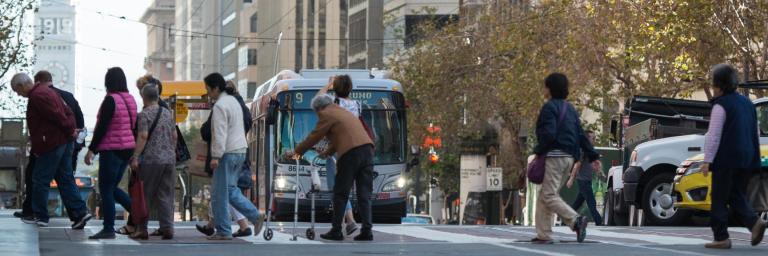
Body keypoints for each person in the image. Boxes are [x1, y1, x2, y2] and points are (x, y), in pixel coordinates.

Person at [284, 94, 375, 241]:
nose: (317, 116)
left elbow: (314, 136)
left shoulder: (327, 114)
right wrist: (328, 153)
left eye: (316, 113)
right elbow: (343, 137)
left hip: (351, 154)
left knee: (340, 193)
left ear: (319, 109)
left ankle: (336, 230)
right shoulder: (343, 112)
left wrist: (296, 152)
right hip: (368, 151)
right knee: (364, 194)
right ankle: (367, 231)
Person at [9, 73, 92, 229]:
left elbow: (58, 116)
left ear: (21, 85)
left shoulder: (37, 96)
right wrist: (71, 132)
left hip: (52, 143)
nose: (18, 95)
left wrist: (69, 131)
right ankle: (79, 213)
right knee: (65, 178)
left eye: (16, 91)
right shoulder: (48, 91)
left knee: (40, 178)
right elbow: (68, 112)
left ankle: (40, 215)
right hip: (64, 141)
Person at [700, 64, 767, 249]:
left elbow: (714, 136)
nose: (713, 89)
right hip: (748, 157)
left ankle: (721, 237)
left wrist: (707, 160)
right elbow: (755, 132)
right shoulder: (748, 103)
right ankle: (754, 223)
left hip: (727, 158)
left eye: (714, 85)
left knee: (719, 197)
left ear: (720, 86)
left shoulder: (721, 106)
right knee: (736, 194)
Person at [532, 73, 599, 244]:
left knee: (547, 195)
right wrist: (592, 155)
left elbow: (549, 134)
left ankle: (575, 220)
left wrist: (538, 152)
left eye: (545, 86)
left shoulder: (549, 108)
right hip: (569, 158)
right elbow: (580, 135)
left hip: (555, 156)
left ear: (550, 88)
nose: (544, 90)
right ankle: (543, 234)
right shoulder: (570, 109)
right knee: (546, 195)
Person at [204, 73, 263, 240]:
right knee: (230, 190)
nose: (208, 93)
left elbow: (219, 133)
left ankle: (223, 230)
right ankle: (255, 215)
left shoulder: (220, 105)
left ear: (215, 88)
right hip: (241, 150)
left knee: (218, 194)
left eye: (208, 89)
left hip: (227, 153)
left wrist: (215, 156)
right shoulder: (234, 101)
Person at [84, 67, 137, 239]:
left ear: (108, 82)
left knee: (106, 189)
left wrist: (91, 149)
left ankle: (108, 228)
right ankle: (137, 214)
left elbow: (101, 127)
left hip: (112, 149)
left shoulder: (110, 100)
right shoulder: (131, 99)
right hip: (127, 149)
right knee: (112, 188)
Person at [128, 84, 177, 240]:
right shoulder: (168, 114)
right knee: (165, 194)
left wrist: (135, 156)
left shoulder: (144, 114)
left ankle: (142, 229)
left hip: (151, 160)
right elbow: (174, 136)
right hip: (169, 160)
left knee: (145, 194)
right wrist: (170, 152)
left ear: (144, 97)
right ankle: (167, 227)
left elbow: (142, 136)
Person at [317, 75, 360, 236]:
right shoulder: (356, 105)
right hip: (352, 149)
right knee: (341, 189)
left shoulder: (334, 104)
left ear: (335, 89)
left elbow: (318, 98)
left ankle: (349, 221)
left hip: (335, 151)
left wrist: (328, 84)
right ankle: (343, 224)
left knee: (336, 190)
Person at [566, 130, 603, 226]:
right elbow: (577, 164)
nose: (594, 140)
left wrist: (599, 171)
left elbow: (592, 163)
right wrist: (571, 179)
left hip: (586, 180)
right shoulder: (583, 150)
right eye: (592, 138)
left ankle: (565, 219)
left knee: (577, 203)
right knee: (591, 202)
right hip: (583, 181)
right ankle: (599, 221)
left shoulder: (588, 150)